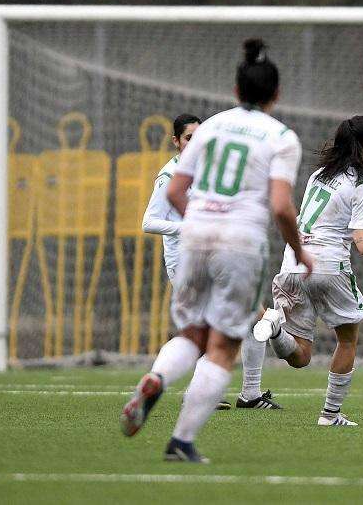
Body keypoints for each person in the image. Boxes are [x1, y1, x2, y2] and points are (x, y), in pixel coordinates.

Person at [122, 38, 310, 463]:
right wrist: (299, 249)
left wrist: (202, 222)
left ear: (235, 91)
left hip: (194, 237)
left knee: (191, 335)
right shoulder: (281, 137)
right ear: (276, 95)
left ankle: (155, 378)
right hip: (240, 244)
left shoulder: (209, 128)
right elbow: (281, 206)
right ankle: (181, 441)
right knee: (223, 346)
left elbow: (175, 190)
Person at [253, 116, 363, 426]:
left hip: (294, 265)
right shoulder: (362, 185)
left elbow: (325, 223)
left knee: (301, 355)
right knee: (347, 341)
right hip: (331, 269)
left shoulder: (319, 175)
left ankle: (274, 327)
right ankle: (330, 415)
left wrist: (353, 232)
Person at [139, 114, 280, 413]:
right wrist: (191, 225)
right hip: (185, 260)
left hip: (218, 256)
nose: (195, 142)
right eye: (189, 137)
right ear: (176, 141)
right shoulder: (169, 175)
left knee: (253, 319)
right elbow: (149, 222)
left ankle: (249, 393)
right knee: (212, 327)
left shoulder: (207, 170)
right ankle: (198, 391)